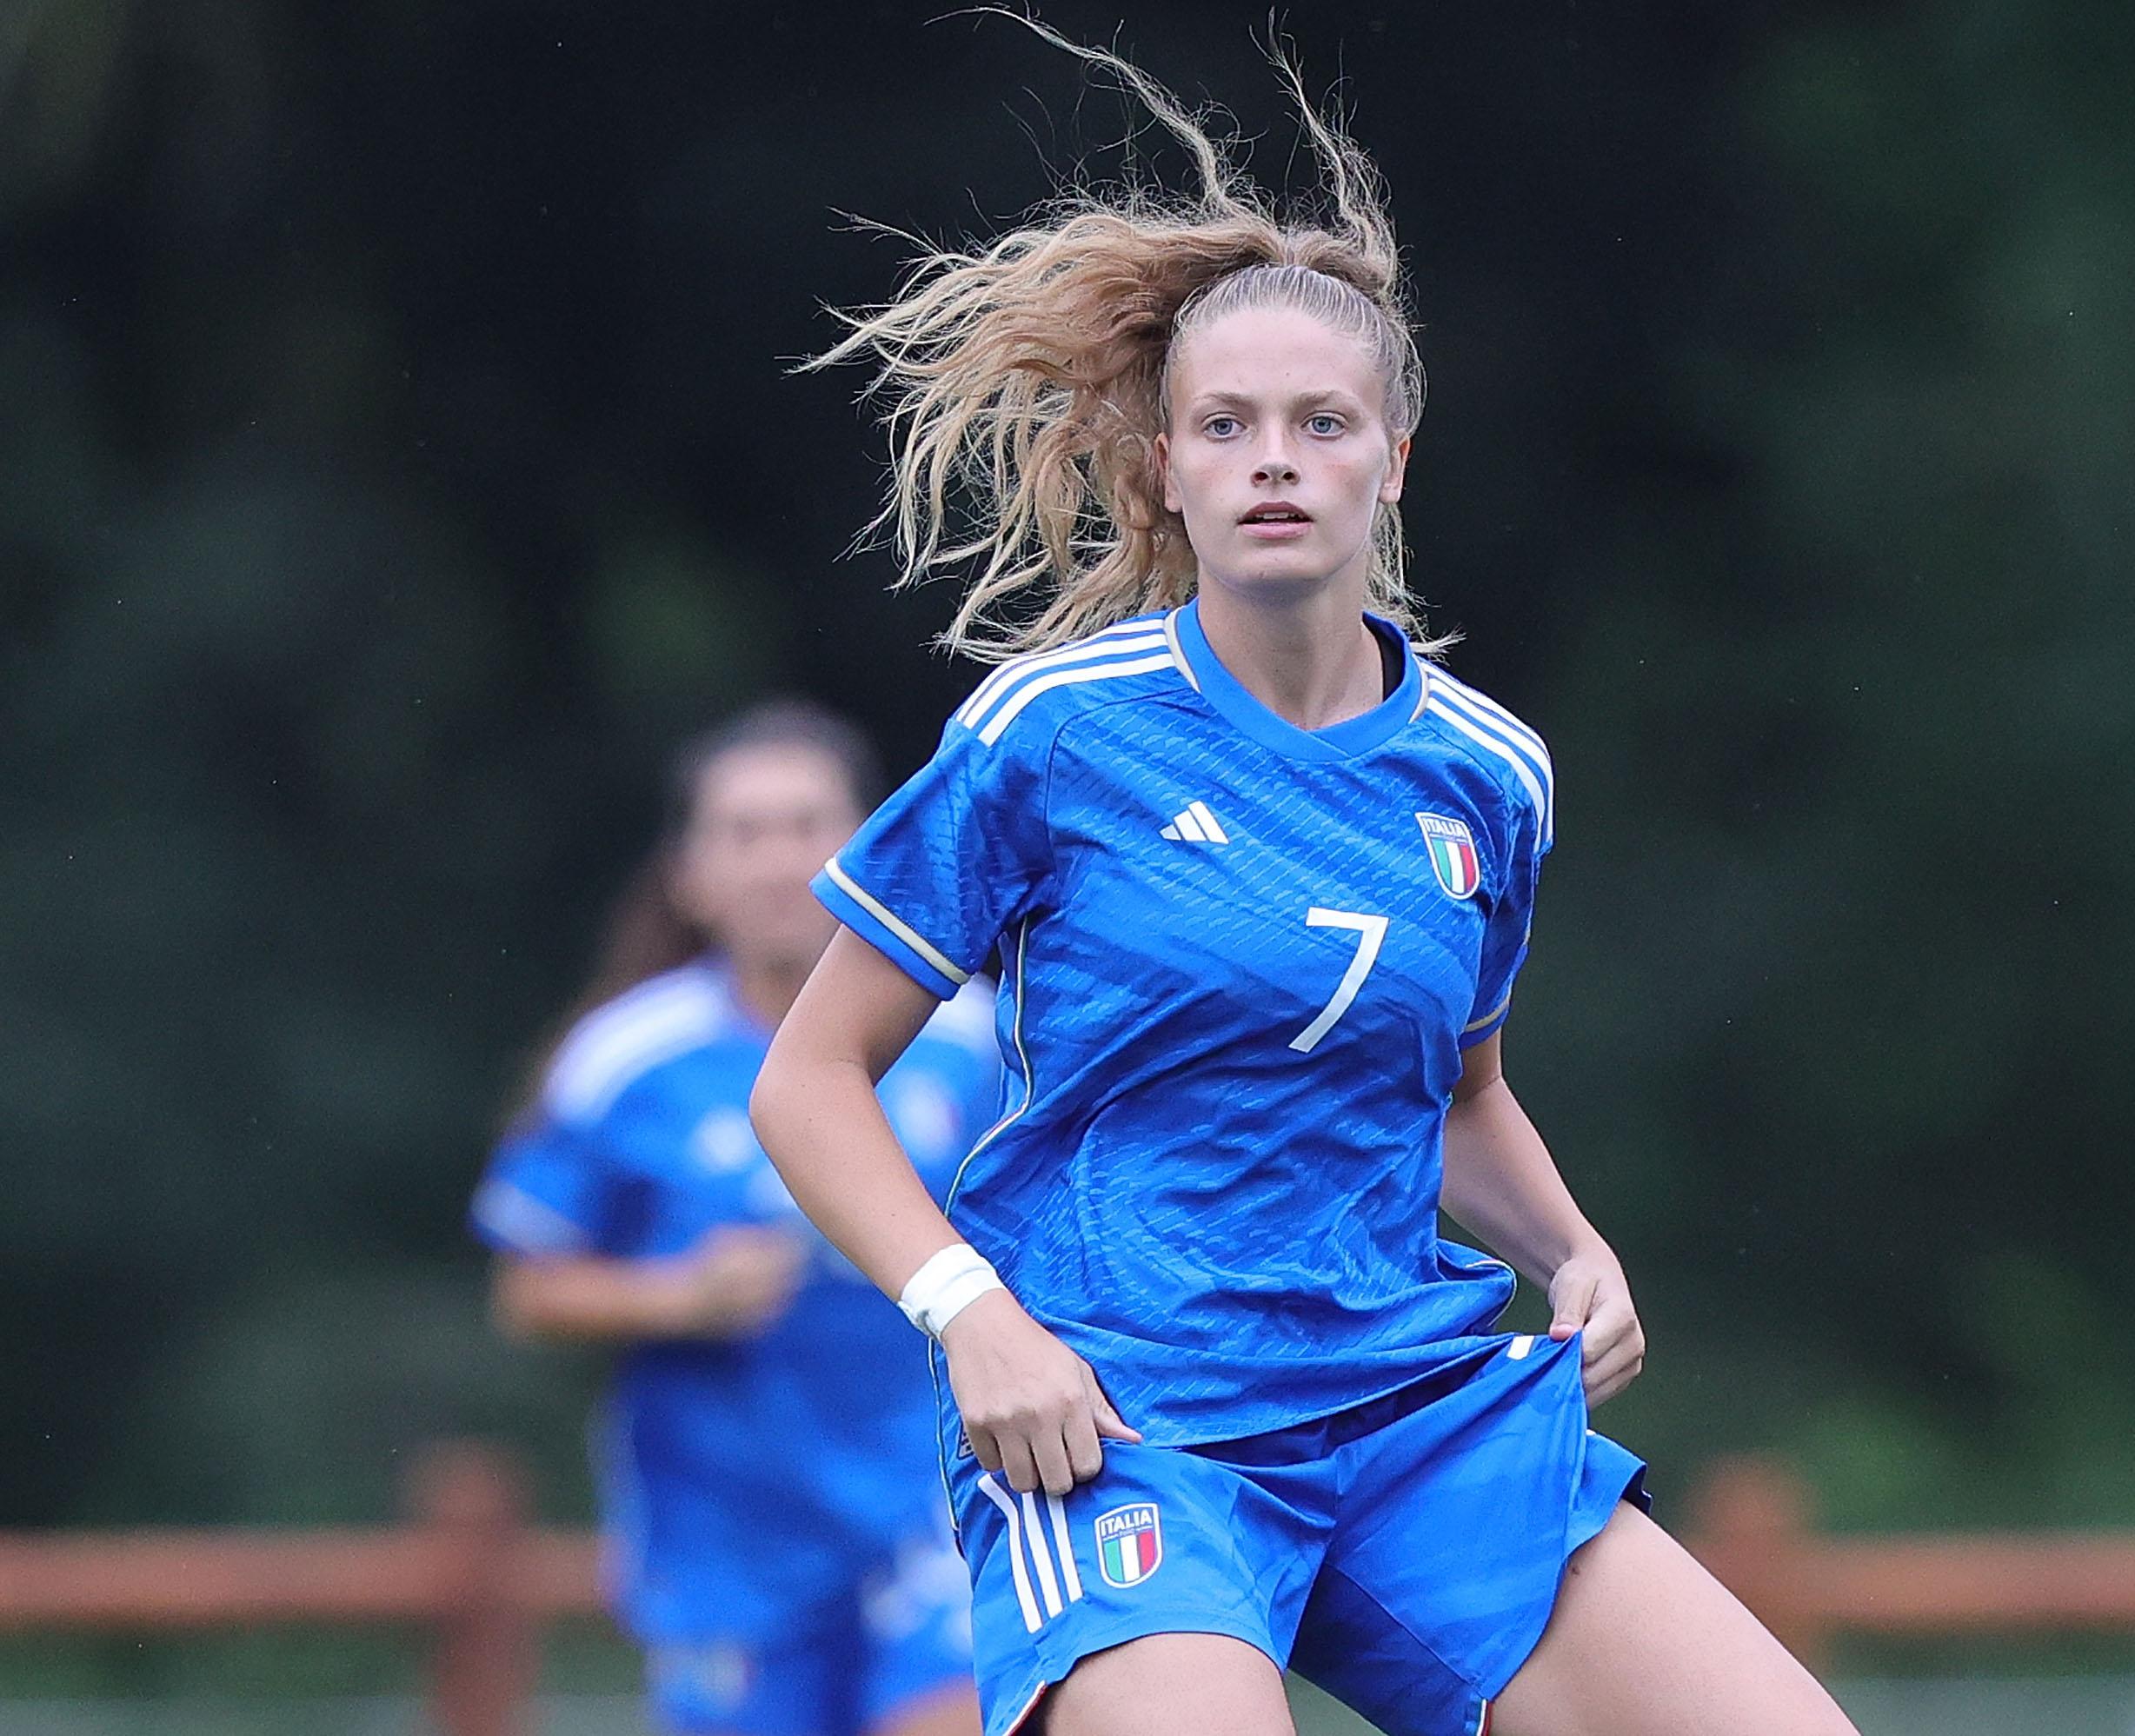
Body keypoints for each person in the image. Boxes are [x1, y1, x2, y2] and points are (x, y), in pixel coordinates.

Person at [749, 30, 1862, 1736]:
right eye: (1227, 425)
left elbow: (1457, 1089)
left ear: (1391, 460)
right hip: (1130, 1418)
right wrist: (970, 1312)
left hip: (1417, 1411)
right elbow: (808, 1082)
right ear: (1176, 468)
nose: (1274, 455)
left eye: (1320, 421)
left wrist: (1573, 1243)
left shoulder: (1490, 773)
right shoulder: (1054, 736)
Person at [473, 701, 994, 1736]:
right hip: (726, 1546)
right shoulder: (623, 1061)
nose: (776, 860)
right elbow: (525, 1288)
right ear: (689, 872)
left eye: (807, 824)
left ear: (871, 844)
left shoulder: (979, 1044)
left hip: (939, 1516)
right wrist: (677, 1296)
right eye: (742, 832)